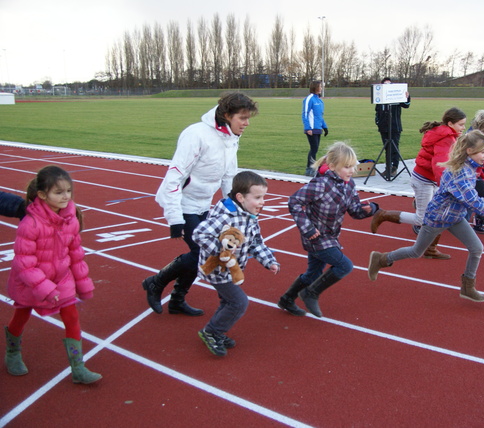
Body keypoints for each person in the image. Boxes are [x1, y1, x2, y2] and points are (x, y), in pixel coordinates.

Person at [143, 92, 259, 317]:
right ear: (227, 115)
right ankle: (155, 282)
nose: (246, 123)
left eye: (248, 118)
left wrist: (234, 211)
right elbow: (174, 176)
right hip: (183, 203)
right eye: (242, 118)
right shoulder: (196, 134)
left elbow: (228, 176)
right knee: (201, 252)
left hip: (204, 204)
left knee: (204, 254)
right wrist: (175, 218)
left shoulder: (230, 137)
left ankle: (176, 300)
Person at [368, 131, 484, 303]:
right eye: (482, 152)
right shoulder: (461, 173)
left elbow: (474, 187)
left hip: (455, 217)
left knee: (477, 248)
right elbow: (471, 198)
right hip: (437, 218)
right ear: (469, 151)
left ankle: (468, 287)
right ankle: (382, 259)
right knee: (416, 252)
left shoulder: (469, 167)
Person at [4, 166, 101, 383]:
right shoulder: (30, 223)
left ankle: (78, 368)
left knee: (72, 317)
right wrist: (45, 288)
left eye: (68, 191)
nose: (65, 196)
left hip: (61, 278)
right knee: (21, 316)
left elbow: (75, 253)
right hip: (31, 283)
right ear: (42, 195)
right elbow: (24, 263)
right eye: (58, 192)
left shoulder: (71, 219)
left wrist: (82, 283)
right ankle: (12, 353)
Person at [278, 141, 378, 318]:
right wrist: (307, 229)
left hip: (330, 236)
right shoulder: (321, 184)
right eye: (347, 167)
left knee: (313, 273)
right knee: (344, 265)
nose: (352, 171)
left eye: (353, 166)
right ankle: (310, 293)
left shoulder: (349, 185)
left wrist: (370, 210)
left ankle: (286, 299)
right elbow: (294, 201)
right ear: (332, 166)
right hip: (315, 237)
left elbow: (355, 211)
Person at [193, 171, 279, 357]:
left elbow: (256, 243)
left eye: (263, 196)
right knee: (239, 302)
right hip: (217, 268)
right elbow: (199, 234)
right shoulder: (226, 217)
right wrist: (221, 250)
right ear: (240, 197)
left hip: (232, 269)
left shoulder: (249, 217)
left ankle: (217, 331)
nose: (262, 201)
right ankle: (212, 332)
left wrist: (268, 260)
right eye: (257, 197)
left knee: (228, 301)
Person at [370, 107, 467, 259]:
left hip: (430, 179)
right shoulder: (446, 139)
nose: (463, 128)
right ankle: (383, 215)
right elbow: (439, 164)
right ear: (450, 123)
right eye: (461, 124)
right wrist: (445, 185)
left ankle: (430, 249)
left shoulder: (448, 135)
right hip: (424, 180)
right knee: (422, 219)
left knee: (437, 215)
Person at [375, 77, 411, 178]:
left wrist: (407, 97)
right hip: (383, 127)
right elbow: (377, 111)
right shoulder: (380, 99)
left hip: (395, 126)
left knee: (394, 147)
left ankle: (394, 167)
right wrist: (378, 122)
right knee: (387, 148)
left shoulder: (396, 96)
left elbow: (406, 105)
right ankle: (388, 167)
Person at [302, 81, 328, 176]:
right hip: (311, 128)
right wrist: (308, 128)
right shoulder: (309, 99)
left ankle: (312, 167)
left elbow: (320, 115)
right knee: (314, 148)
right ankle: (309, 168)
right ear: (316, 87)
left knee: (315, 149)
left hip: (318, 128)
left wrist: (325, 127)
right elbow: (305, 114)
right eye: (320, 86)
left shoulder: (319, 100)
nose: (321, 88)